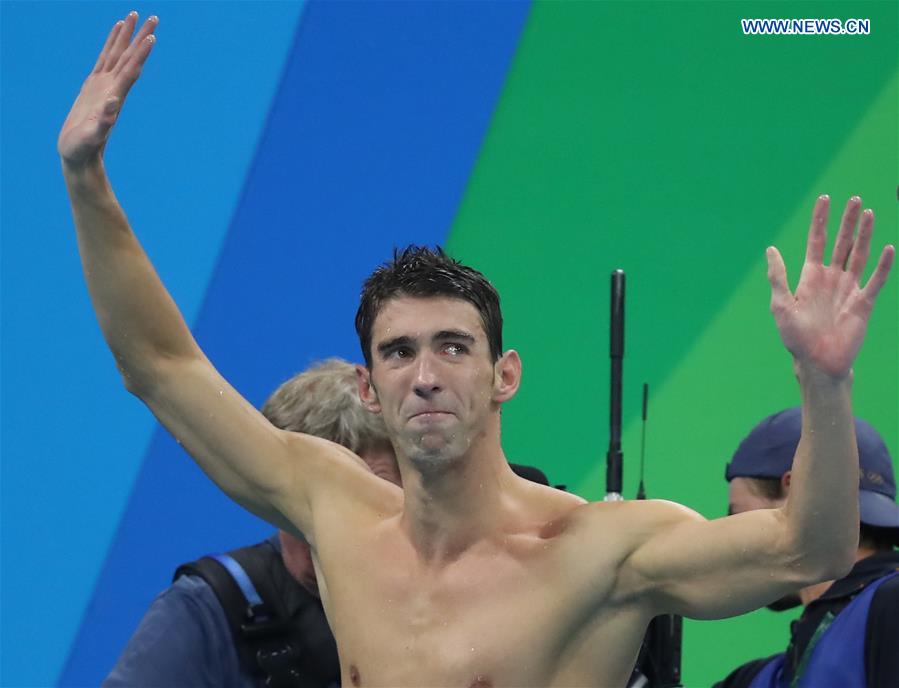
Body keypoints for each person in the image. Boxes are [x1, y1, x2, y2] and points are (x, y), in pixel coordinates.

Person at [60, 13, 895, 687]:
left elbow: (812, 548)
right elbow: (160, 365)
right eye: (399, 353)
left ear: (504, 375)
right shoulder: (333, 510)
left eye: (453, 347)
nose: (426, 376)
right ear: (368, 386)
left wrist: (824, 382)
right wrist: (86, 179)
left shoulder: (601, 553)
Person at [104, 359, 401, 688]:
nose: (337, 527)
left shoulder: (442, 598)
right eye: (311, 500)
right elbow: (157, 359)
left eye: (370, 498)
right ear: (272, 495)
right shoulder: (207, 610)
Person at [716, 408, 899, 688]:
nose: (733, 539)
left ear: (794, 491)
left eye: (737, 514)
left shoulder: (889, 604)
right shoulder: (762, 677)